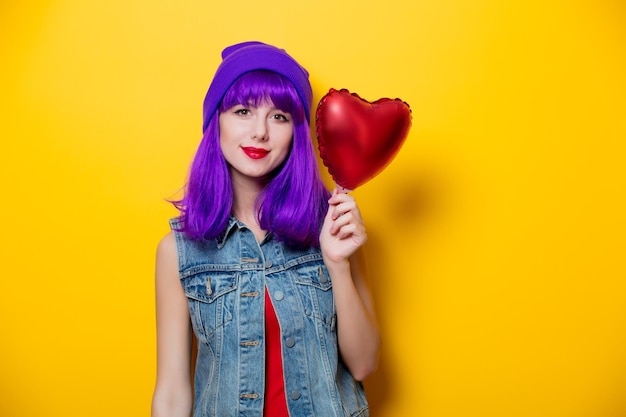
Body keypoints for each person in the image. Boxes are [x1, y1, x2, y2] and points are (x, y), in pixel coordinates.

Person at [151, 41, 381, 417]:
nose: (259, 132)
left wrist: (337, 264)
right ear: (216, 122)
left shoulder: (335, 229)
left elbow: (364, 364)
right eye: (243, 111)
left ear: (297, 133)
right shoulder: (178, 251)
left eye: (279, 117)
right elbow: (172, 393)